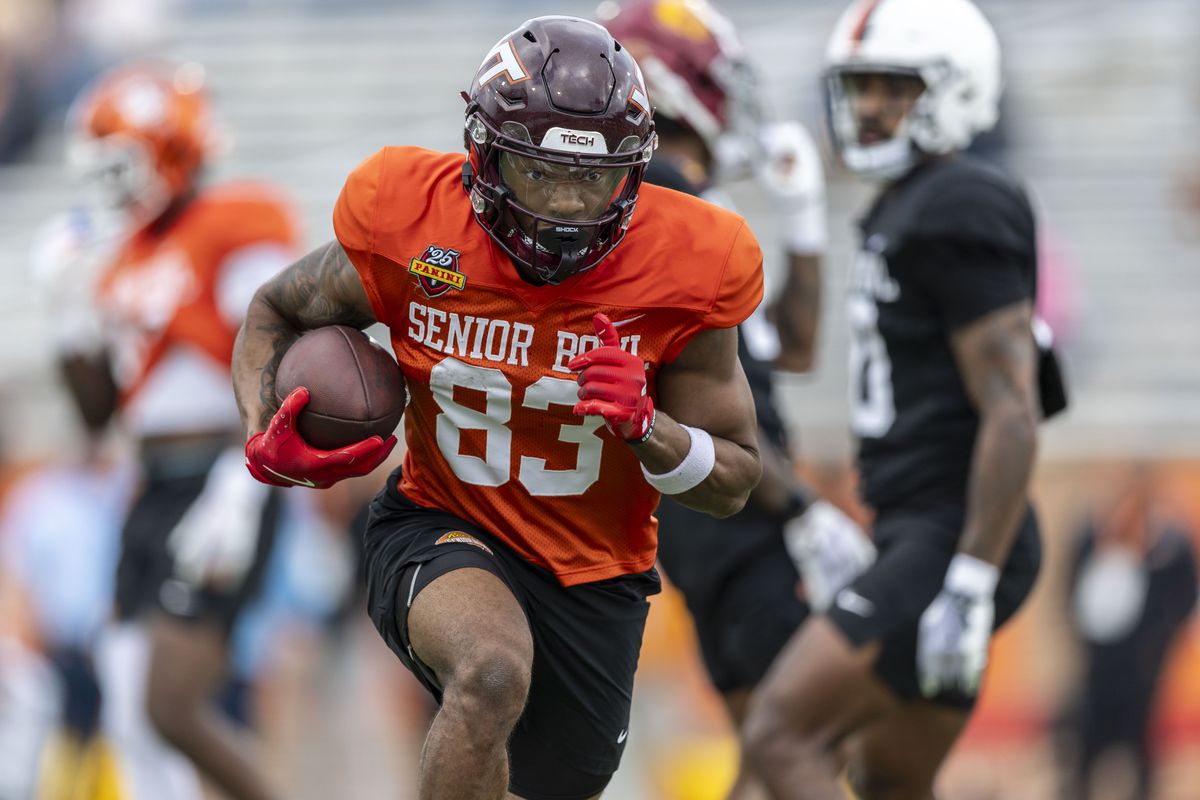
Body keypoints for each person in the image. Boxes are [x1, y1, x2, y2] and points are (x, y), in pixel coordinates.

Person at [231, 15, 764, 800]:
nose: (567, 205)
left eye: (592, 178)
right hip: (439, 521)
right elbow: (274, 311)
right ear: (484, 154)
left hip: (595, 572)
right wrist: (261, 422)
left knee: (554, 781)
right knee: (489, 670)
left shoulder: (692, 262)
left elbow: (736, 479)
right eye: (539, 173)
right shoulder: (414, 222)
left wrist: (651, 429)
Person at [741, 0, 1064, 797]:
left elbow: (1015, 406)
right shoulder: (908, 203)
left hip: (953, 534)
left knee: (781, 736)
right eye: (862, 88)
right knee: (891, 782)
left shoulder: (962, 199)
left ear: (953, 88)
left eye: (895, 86)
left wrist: (969, 580)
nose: (872, 107)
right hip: (924, 530)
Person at [597, 3, 874, 797]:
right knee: (801, 744)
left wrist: (807, 223)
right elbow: (704, 418)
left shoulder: (668, 207)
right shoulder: (669, 204)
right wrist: (802, 512)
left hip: (725, 505)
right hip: (734, 512)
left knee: (777, 747)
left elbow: (786, 351)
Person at [60, 61, 300, 800]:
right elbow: (100, 414)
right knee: (130, 705)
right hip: (152, 484)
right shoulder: (122, 256)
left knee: (170, 703)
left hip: (225, 471)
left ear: (170, 148)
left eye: (122, 162)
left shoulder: (238, 220)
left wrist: (240, 482)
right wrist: (69, 317)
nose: (113, 182)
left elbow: (277, 362)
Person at [1057, 467, 1197, 800]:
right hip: (1100, 661)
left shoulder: (1167, 549)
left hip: (1142, 663)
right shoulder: (1093, 540)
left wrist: (1161, 640)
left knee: (1141, 743)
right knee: (1087, 740)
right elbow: (1071, 589)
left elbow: (1183, 595)